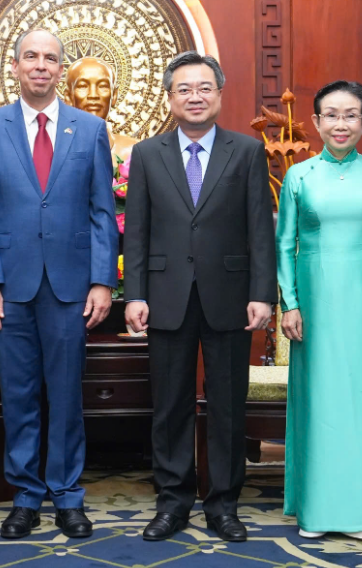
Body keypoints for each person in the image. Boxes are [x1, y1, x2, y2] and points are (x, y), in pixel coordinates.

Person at [0, 28, 119, 540]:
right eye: (30, 57)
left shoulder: (90, 130)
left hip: (71, 288)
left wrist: (103, 281)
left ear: (60, 69)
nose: (40, 65)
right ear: (13, 68)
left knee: (65, 394)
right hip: (9, 288)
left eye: (50, 58)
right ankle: (26, 496)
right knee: (18, 394)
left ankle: (68, 497)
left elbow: (104, 212)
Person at [122, 52, 275, 543]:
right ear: (170, 98)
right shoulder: (146, 154)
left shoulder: (248, 151)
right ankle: (172, 502)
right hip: (165, 296)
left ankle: (224, 504)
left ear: (219, 94)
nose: (195, 96)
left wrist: (262, 293)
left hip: (231, 295)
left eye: (204, 87)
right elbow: (137, 232)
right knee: (170, 406)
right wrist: (135, 294)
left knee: (229, 405)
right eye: (184, 88)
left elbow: (260, 230)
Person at [276, 80, 362, 541]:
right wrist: (289, 303)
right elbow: (284, 244)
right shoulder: (299, 176)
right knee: (320, 400)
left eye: (350, 115)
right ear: (315, 122)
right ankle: (318, 509)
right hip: (315, 303)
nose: (340, 124)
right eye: (331, 115)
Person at [63, 56, 139, 163]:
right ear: (68, 97)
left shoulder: (136, 152)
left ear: (114, 96)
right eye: (83, 86)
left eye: (103, 86)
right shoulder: (53, 153)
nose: (93, 95)